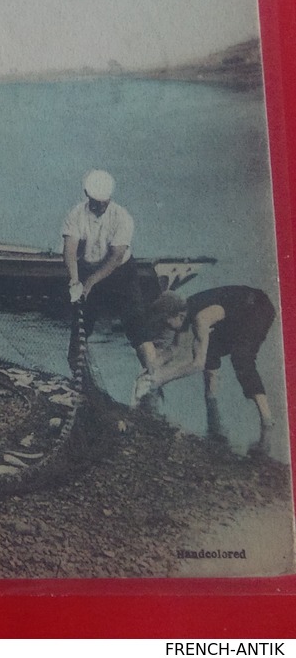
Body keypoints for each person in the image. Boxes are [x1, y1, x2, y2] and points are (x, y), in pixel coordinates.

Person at [133, 287, 276, 454]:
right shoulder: (184, 312)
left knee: (241, 357)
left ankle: (267, 420)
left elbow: (197, 364)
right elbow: (175, 349)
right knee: (211, 348)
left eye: (166, 322)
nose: (166, 327)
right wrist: (152, 366)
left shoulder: (200, 318)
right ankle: (211, 401)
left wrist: (160, 379)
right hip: (236, 313)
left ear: (179, 316)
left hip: (258, 308)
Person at [63, 169, 142, 370]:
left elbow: (115, 258)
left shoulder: (122, 217)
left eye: (103, 202)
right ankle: (76, 370)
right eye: (95, 201)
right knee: (81, 324)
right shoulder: (76, 214)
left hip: (121, 273)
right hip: (88, 267)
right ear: (86, 194)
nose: (99, 206)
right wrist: (75, 280)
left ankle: (152, 375)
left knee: (136, 324)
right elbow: (70, 249)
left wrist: (90, 283)